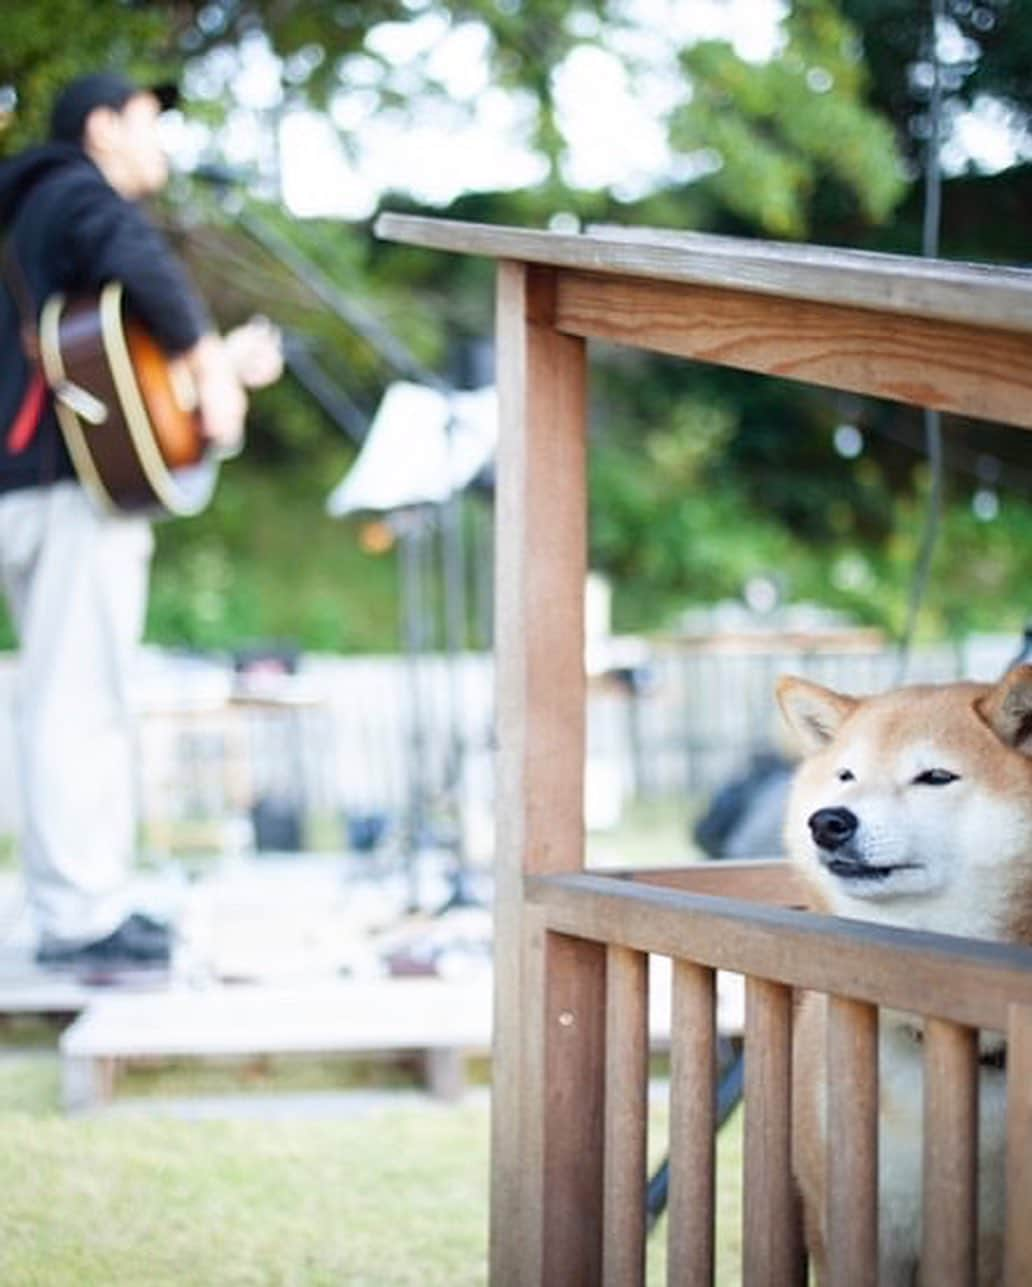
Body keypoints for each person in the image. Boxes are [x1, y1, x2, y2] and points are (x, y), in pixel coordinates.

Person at [0, 71, 282, 971]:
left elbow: (114, 357)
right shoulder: (71, 194)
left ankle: (75, 903)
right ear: (103, 126)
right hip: (61, 487)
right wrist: (210, 363)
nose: (162, 138)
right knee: (79, 702)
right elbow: (133, 256)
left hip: (39, 482)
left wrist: (201, 369)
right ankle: (81, 918)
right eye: (150, 119)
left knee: (65, 700)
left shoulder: (27, 213)